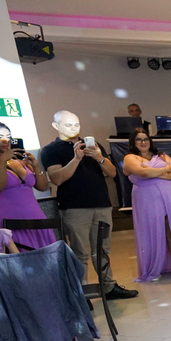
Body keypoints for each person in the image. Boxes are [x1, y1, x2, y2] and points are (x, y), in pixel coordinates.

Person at [41, 110, 138, 300]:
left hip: (101, 203)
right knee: (80, 252)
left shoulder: (93, 144)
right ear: (56, 126)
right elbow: (57, 178)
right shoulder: (51, 149)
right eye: (68, 125)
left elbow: (112, 172)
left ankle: (108, 286)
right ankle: (81, 293)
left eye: (76, 124)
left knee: (103, 249)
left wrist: (99, 157)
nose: (74, 128)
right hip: (74, 207)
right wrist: (76, 158)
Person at [123, 128, 171, 283]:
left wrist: (153, 172)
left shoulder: (161, 155)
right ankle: (153, 267)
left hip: (169, 197)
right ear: (133, 142)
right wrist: (163, 169)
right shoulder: (130, 158)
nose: (143, 142)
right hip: (147, 200)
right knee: (152, 230)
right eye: (139, 139)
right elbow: (142, 173)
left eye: (146, 139)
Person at [0, 120, 56, 251]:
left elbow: (43, 187)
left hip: (35, 215)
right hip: (9, 217)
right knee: (20, 256)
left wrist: (36, 166)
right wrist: (2, 160)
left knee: (47, 255)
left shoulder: (18, 160)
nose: (6, 141)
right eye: (0, 137)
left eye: (8, 137)